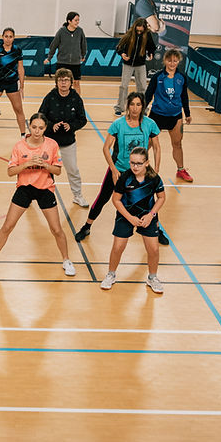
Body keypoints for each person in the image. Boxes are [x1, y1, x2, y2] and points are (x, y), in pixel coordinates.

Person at [0, 113, 77, 277]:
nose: (37, 131)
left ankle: (66, 260)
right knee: (8, 226)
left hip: (45, 189)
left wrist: (45, 165)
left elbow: (58, 171)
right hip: (25, 188)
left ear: (45, 128)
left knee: (56, 229)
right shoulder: (19, 146)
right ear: (29, 127)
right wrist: (27, 164)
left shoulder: (52, 145)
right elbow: (10, 171)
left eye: (40, 128)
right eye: (34, 127)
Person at [75, 92, 162, 244]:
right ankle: (87, 226)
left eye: (138, 104)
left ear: (143, 107)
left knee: (149, 200)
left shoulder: (150, 124)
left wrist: (156, 170)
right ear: (127, 106)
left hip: (141, 171)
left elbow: (157, 148)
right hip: (120, 169)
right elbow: (106, 148)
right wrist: (114, 170)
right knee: (103, 197)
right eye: (132, 104)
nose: (135, 108)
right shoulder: (118, 124)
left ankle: (156, 229)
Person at [99, 146, 167, 294]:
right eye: (132, 163)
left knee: (154, 249)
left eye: (139, 163)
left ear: (147, 163)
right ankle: (111, 275)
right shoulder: (125, 177)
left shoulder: (154, 178)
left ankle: (152, 277)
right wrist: (130, 218)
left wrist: (151, 215)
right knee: (118, 248)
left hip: (147, 217)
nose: (135, 166)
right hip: (126, 216)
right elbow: (116, 200)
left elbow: (161, 197)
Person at [38, 68, 88, 207]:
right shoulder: (50, 97)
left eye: (66, 80)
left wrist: (71, 126)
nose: (63, 83)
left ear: (71, 82)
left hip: (68, 142)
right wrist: (51, 125)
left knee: (72, 169)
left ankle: (77, 196)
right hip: (49, 141)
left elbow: (82, 119)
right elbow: (40, 116)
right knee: (44, 168)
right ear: (56, 82)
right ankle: (35, 194)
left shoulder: (76, 98)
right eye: (60, 80)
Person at [145, 48, 192, 182]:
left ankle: (181, 170)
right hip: (157, 115)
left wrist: (187, 113)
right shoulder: (158, 77)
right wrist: (142, 111)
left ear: (179, 62)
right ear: (165, 61)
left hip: (175, 116)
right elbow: (148, 94)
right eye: (170, 61)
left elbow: (184, 96)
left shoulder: (181, 78)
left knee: (177, 144)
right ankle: (139, 167)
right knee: (147, 144)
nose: (172, 63)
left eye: (175, 61)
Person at [113, 19, 156, 116]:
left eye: (141, 31)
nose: (139, 32)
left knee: (142, 87)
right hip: (128, 64)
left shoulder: (148, 35)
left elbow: (152, 47)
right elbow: (119, 47)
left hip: (140, 64)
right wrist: (122, 54)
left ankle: (143, 108)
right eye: (137, 31)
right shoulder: (129, 34)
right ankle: (120, 107)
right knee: (123, 86)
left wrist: (151, 53)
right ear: (135, 28)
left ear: (144, 29)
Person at [45, 12, 88, 95]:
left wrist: (83, 55)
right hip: (62, 62)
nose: (77, 22)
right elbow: (54, 45)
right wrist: (49, 58)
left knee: (76, 83)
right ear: (69, 21)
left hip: (75, 62)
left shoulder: (80, 31)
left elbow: (83, 44)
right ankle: (58, 100)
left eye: (78, 20)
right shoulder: (61, 31)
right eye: (75, 20)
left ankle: (77, 101)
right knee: (60, 83)